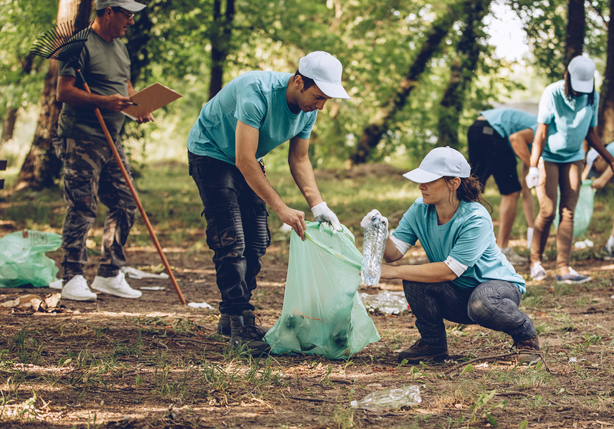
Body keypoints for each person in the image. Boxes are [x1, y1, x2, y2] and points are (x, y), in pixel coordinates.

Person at [187, 51, 350, 353]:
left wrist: (319, 205)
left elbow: (299, 159)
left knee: (257, 239)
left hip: (244, 159)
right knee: (231, 239)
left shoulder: (308, 109)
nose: (322, 106)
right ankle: (239, 322)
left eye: (327, 99)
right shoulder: (257, 93)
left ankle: (233, 316)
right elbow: (244, 159)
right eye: (319, 96)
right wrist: (281, 207)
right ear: (298, 81)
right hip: (211, 152)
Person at [361, 147, 541, 364]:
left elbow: (448, 271)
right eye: (421, 180)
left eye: (429, 180)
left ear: (454, 183)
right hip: (459, 295)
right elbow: (393, 253)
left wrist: (391, 273)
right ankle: (432, 345)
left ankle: (526, 337)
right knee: (415, 280)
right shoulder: (420, 209)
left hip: (497, 289)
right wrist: (378, 230)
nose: (421, 186)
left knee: (481, 302)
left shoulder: (475, 218)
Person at [57, 0, 155, 302]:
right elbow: (65, 91)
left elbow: (124, 85)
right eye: (127, 15)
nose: (132, 22)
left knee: (127, 204)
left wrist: (138, 105)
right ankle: (72, 276)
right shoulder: (80, 44)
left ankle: (109, 273)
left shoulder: (119, 47)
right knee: (83, 205)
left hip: (112, 139)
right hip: (81, 138)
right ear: (109, 11)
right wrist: (103, 101)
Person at [525, 55, 614, 284]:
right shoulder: (552, 93)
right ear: (567, 76)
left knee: (568, 212)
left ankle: (563, 269)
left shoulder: (591, 96)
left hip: (574, 158)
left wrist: (610, 159)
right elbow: (541, 133)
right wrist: (532, 166)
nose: (579, 92)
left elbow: (591, 132)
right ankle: (535, 262)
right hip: (548, 157)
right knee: (547, 211)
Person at [467, 108, 537, 265]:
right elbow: (515, 139)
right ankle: (502, 249)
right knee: (511, 192)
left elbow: (526, 189)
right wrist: (537, 167)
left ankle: (464, 246)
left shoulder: (532, 141)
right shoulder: (543, 130)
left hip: (477, 128)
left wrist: (532, 228)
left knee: (470, 189)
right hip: (493, 131)